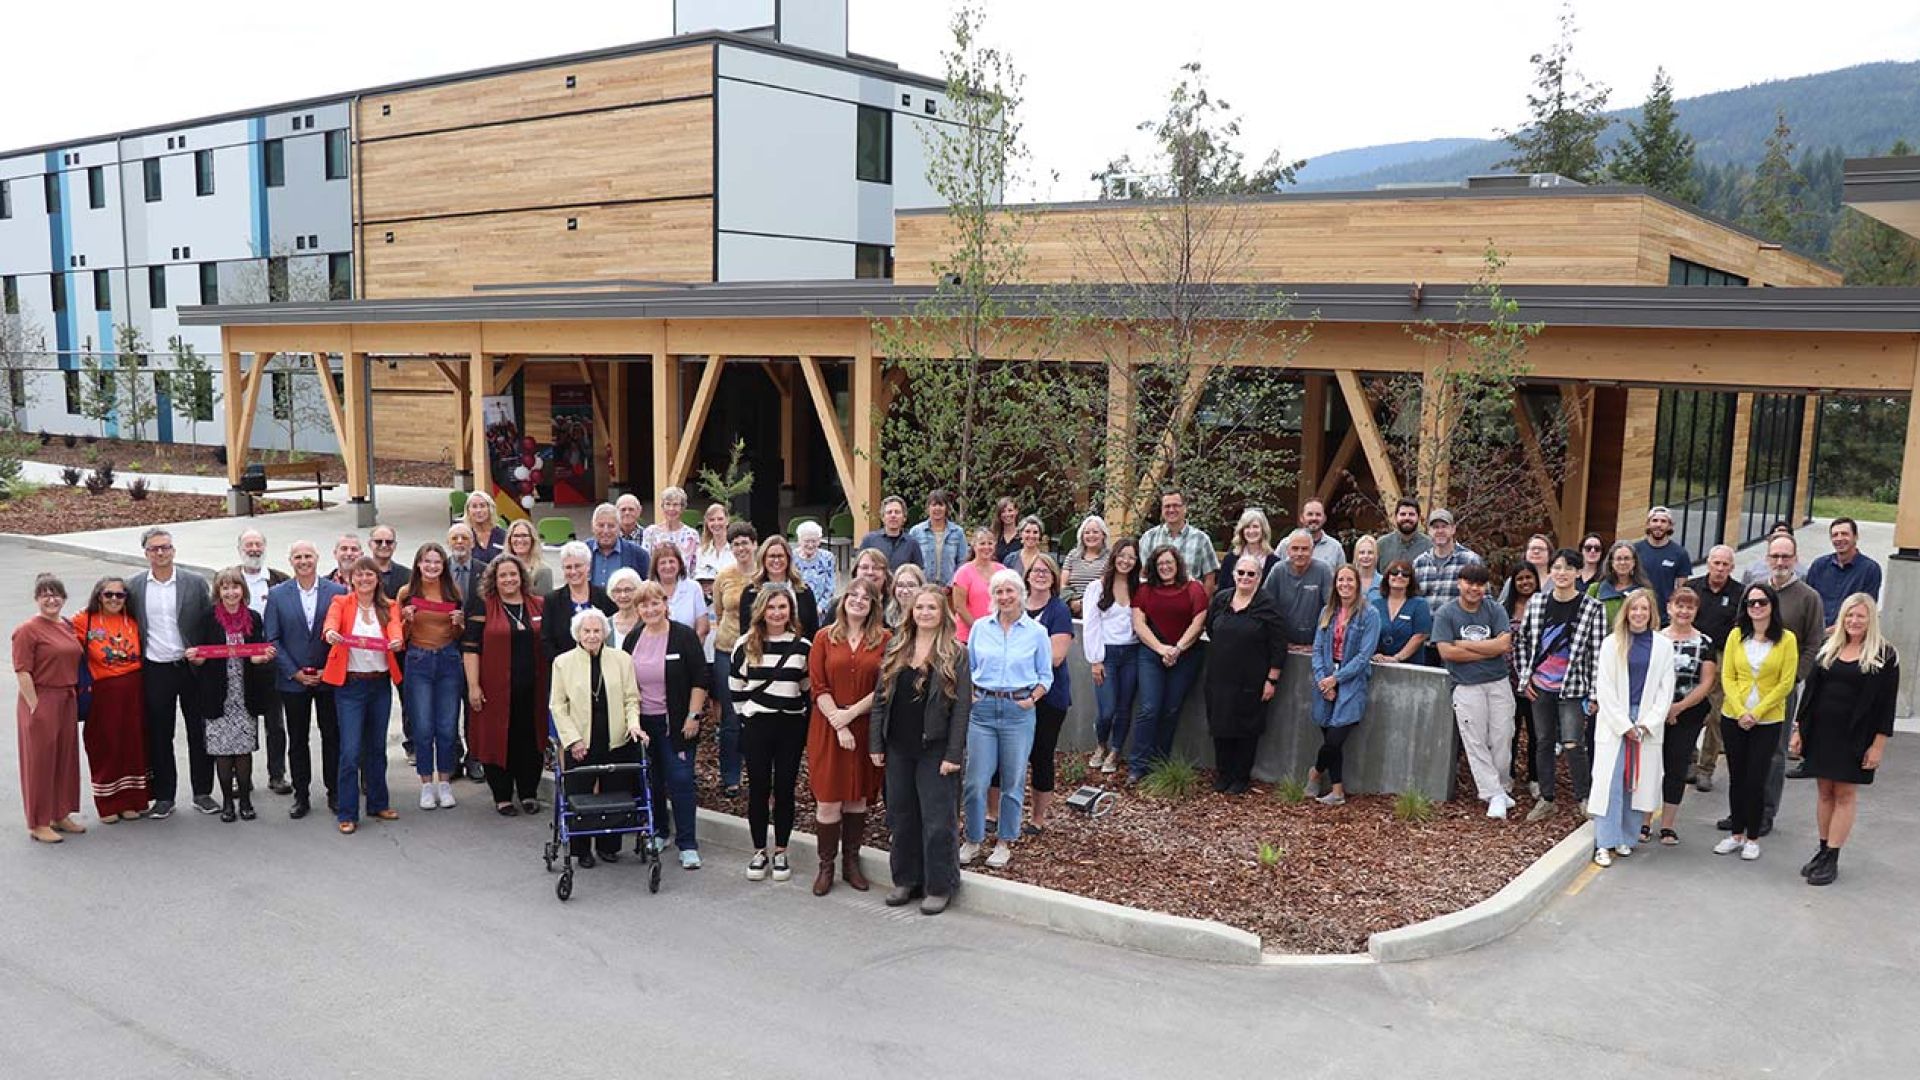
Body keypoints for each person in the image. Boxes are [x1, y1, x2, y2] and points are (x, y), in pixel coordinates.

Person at [870, 586, 968, 915]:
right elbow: (881, 699)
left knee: (938, 821)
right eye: (919, 607)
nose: (924, 613)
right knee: (901, 815)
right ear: (911, 612)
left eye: (932, 608)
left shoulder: (956, 653)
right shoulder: (897, 647)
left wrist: (954, 755)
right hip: (898, 747)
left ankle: (939, 885)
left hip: (935, 750)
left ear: (943, 614)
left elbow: (962, 709)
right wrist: (876, 744)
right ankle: (906, 880)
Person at [1791, 593, 1898, 886]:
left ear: (1871, 619)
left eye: (1860, 616)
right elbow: (1811, 693)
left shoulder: (1885, 655)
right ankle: (1823, 849)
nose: (1854, 621)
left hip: (1855, 737)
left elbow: (1886, 706)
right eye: (1849, 615)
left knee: (1844, 794)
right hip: (1822, 732)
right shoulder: (1830, 648)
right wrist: (1800, 730)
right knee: (1824, 792)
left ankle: (1833, 857)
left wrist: (1878, 745)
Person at [962, 568, 1053, 870]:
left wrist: (1032, 698)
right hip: (983, 710)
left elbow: (1045, 675)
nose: (1004, 597)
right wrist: (974, 694)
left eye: (1009, 591)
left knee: (1013, 780)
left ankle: (1004, 842)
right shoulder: (980, 628)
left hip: (1018, 711)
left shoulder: (1037, 633)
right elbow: (970, 666)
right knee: (976, 780)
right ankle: (973, 839)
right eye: (998, 592)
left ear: (1020, 594)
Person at [619, 579, 709, 869]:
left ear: (665, 604)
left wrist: (693, 716)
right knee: (653, 781)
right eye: (644, 604)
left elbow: (700, 679)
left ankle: (688, 844)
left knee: (680, 780)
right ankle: (659, 832)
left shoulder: (683, 636)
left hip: (677, 724)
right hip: (644, 725)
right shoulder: (633, 638)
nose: (650, 609)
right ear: (638, 609)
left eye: (655, 602)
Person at [806, 579, 889, 895]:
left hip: (865, 727)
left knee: (856, 799)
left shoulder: (884, 640)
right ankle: (826, 866)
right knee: (828, 801)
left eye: (865, 597)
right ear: (842, 601)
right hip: (828, 727)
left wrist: (850, 716)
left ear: (873, 605)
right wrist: (839, 724)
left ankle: (851, 862)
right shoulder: (824, 638)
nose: (858, 600)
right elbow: (818, 687)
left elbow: (883, 687)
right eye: (852, 595)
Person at [1514, 549, 1608, 822]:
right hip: (1541, 685)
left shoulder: (1592, 608)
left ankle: (1583, 797)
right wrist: (1525, 678)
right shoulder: (1537, 603)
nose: (1562, 573)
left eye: (1568, 568)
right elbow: (1522, 642)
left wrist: (1594, 693)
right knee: (1542, 742)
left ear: (1579, 573)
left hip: (1573, 687)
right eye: (1556, 567)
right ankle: (1547, 798)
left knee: (1572, 743)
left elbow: (1597, 654)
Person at [127, 527, 215, 819]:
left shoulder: (193, 582)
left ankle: (203, 793)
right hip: (156, 669)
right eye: (154, 549)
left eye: (165, 547)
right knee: (160, 734)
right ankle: (164, 796)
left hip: (190, 668)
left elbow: (208, 621)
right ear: (146, 553)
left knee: (198, 731)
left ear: (174, 550)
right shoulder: (135, 586)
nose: (161, 553)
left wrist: (203, 654)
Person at [550, 607, 646, 868]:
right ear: (577, 634)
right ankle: (582, 850)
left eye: (597, 630)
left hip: (616, 739)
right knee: (580, 796)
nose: (592, 635)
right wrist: (572, 741)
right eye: (586, 631)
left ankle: (609, 846)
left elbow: (631, 699)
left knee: (615, 795)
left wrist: (634, 725)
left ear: (605, 632)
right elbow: (558, 706)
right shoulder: (563, 662)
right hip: (581, 742)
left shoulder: (621, 659)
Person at [1587, 590, 1673, 867]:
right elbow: (1606, 688)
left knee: (1635, 783)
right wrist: (1623, 725)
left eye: (1644, 609)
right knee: (1610, 782)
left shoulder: (1662, 646)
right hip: (1616, 722)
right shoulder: (1612, 644)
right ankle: (1605, 842)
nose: (1638, 614)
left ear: (1651, 614)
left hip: (1646, 721)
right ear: (1626, 612)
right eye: (1634, 609)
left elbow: (1665, 689)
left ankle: (1626, 836)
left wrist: (1648, 723)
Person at [732, 587, 812, 883]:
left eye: (783, 607)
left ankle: (781, 850)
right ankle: (758, 850)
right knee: (758, 789)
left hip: (790, 726)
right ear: (761, 611)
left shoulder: (803, 647)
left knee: (785, 789)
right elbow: (735, 687)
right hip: (757, 726)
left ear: (790, 610)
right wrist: (748, 715)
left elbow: (806, 688)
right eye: (771, 607)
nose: (777, 613)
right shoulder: (747, 644)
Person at [1714, 582, 1798, 862]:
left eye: (1762, 602)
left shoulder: (1786, 640)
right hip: (1734, 717)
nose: (1757, 608)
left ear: (1772, 605)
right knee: (1737, 777)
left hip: (1767, 720)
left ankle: (1753, 837)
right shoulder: (1736, 636)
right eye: (1752, 603)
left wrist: (1757, 712)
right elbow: (1728, 676)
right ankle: (1736, 833)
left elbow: (1786, 683)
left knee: (1756, 778)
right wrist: (1740, 711)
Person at [320, 557, 404, 835]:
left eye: (370, 575)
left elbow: (395, 629)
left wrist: (396, 640)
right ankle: (347, 811)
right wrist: (331, 632)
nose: (365, 579)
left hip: (379, 684)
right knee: (350, 751)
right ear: (352, 579)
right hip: (351, 686)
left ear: (377, 579)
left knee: (376, 748)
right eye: (360, 575)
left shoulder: (389, 606)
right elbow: (331, 622)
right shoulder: (341, 603)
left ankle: (378, 802)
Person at [462, 554, 549, 818]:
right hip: (496, 691)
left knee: (531, 740)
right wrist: (474, 686)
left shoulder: (539, 604)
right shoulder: (484, 606)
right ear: (494, 580)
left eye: (513, 574)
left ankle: (528, 793)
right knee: (499, 740)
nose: (509, 579)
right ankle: (502, 796)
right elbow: (470, 648)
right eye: (503, 576)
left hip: (533, 690)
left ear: (522, 577)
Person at [188, 569, 277, 823]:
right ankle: (227, 801)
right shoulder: (207, 619)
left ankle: (246, 801)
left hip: (244, 692)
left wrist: (261, 659)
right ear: (218, 592)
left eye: (235, 587)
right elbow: (200, 656)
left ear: (243, 590)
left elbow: (258, 654)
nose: (230, 592)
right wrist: (197, 658)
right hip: (217, 694)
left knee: (244, 750)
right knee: (223, 752)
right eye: (225, 588)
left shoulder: (254, 618)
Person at [264, 542, 346, 819]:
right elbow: (272, 638)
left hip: (327, 678)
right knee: (298, 739)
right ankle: (302, 795)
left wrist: (328, 670)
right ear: (290, 561)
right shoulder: (277, 595)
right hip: (293, 680)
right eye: (298, 557)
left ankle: (334, 792)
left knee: (331, 736)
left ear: (317, 558)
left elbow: (342, 635)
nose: (303, 561)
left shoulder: (337, 592)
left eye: (308, 556)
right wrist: (294, 672)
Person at [995, 555, 1073, 831]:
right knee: (999, 755)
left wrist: (1014, 661)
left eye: (1046, 571)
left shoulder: (1059, 611)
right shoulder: (1013, 607)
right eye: (1035, 571)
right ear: (1026, 577)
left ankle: (1037, 819)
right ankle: (994, 814)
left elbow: (1055, 658)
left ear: (1054, 578)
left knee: (1041, 755)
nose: (1040, 575)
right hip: (1008, 696)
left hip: (1048, 697)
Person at [1433, 563, 1516, 819]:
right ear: (1459, 583)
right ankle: (1494, 794)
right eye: (1469, 583)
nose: (1474, 589)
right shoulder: (1447, 613)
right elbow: (1446, 652)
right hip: (1466, 686)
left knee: (1503, 736)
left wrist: (1464, 645)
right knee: (1475, 740)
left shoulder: (1494, 609)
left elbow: (1504, 644)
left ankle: (1501, 787)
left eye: (1479, 584)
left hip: (1498, 682)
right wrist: (1486, 649)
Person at [71, 577, 150, 822]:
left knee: (133, 745)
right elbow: (62, 643)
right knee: (106, 746)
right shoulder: (85, 620)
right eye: (108, 595)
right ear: (98, 596)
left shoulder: (134, 620)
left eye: (120, 595)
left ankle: (132, 801)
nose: (114, 599)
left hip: (133, 691)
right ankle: (107, 804)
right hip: (102, 694)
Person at [13, 574, 85, 843]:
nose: (51, 599)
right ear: (37, 599)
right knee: (40, 762)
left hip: (67, 698)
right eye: (45, 595)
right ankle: (38, 821)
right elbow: (22, 670)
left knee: (65, 758)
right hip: (42, 698)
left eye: (56, 594)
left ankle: (60, 813)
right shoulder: (28, 630)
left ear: (64, 599)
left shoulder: (66, 625)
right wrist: (34, 706)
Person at [1759, 534, 1823, 830]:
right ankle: (1742, 809)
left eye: (1786, 556)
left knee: (1774, 751)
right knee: (1746, 750)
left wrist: (1795, 677)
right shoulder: (1755, 592)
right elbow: (1740, 632)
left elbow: (1813, 643)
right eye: (1775, 556)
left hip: (1783, 689)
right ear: (1767, 558)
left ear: (1795, 559)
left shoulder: (1808, 597)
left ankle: (1765, 812)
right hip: (1750, 686)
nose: (1780, 562)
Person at [1205, 554, 1285, 795]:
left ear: (1259, 577)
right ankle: (1223, 773)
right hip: (1219, 677)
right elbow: (1210, 628)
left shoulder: (1267, 605)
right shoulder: (1221, 600)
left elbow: (1278, 645)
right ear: (1233, 574)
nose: (1245, 578)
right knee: (1220, 726)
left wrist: (1272, 679)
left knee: (1246, 729)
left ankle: (1240, 777)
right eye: (1241, 573)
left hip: (1252, 680)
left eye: (1251, 574)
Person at [1129, 545, 1210, 781]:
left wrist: (1178, 648)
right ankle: (1137, 765)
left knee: (1171, 709)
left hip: (1185, 654)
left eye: (1169, 563)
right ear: (1154, 566)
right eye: (1160, 563)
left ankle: (1158, 763)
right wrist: (1162, 648)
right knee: (1149, 708)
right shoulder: (1145, 590)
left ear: (1178, 564)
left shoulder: (1194, 588)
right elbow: (1139, 624)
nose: (1165, 567)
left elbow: (1198, 622)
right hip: (1151, 653)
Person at [396, 543, 465, 811]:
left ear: (444, 565)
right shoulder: (407, 592)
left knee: (447, 727)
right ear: (418, 564)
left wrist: (459, 623)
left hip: (448, 659)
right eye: (427, 562)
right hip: (418, 659)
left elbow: (459, 634)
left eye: (437, 562)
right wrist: (406, 620)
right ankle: (426, 784)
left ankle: (445, 782)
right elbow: (400, 637)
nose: (433, 567)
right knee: (423, 727)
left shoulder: (453, 590)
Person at [1308, 563, 1381, 805]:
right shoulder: (1326, 612)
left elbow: (1364, 656)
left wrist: (1336, 680)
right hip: (1325, 679)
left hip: (1351, 681)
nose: (1345, 585)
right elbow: (1317, 648)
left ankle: (1315, 773)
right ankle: (1337, 792)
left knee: (1334, 739)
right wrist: (1323, 680)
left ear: (1358, 584)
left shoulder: (1369, 614)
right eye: (1340, 580)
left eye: (1350, 580)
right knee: (1329, 736)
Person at [1651, 586, 1718, 846]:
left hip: (1687, 715)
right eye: (1679, 605)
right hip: (1655, 712)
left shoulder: (1705, 643)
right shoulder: (1656, 639)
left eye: (1690, 607)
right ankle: (1645, 822)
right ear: (1669, 607)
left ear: (1695, 611)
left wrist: (1678, 708)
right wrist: (1662, 708)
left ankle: (1667, 825)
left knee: (1676, 768)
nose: (1684, 611)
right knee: (1651, 768)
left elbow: (1706, 683)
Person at [236, 528, 292, 795]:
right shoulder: (230, 579)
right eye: (249, 544)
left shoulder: (279, 580)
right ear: (240, 548)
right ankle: (240, 777)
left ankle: (277, 774)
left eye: (258, 544)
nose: (254, 549)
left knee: (275, 723)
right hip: (239, 662)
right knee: (241, 720)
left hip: (271, 661)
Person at [1082, 538, 1140, 774]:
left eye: (1131, 557)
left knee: (1125, 707)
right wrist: (1095, 659)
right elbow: (1090, 626)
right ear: (1114, 556)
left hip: (1132, 652)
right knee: (1107, 710)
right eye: (1122, 555)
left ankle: (1116, 750)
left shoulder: (1140, 587)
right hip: (1107, 654)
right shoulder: (1097, 587)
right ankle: (1101, 744)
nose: (1126, 561)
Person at [710, 522, 759, 796]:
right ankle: (730, 776)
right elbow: (719, 612)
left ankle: (757, 771)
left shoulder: (764, 576)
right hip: (727, 651)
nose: (741, 548)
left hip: (759, 654)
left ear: (754, 544)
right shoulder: (724, 576)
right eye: (736, 544)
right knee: (730, 717)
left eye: (745, 542)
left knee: (756, 716)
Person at [1688, 544, 1741, 793]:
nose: (1720, 569)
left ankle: (1706, 768)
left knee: (1716, 715)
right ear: (1708, 563)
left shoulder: (1740, 593)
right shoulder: (1693, 587)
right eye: (1716, 563)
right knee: (1689, 708)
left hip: (1722, 656)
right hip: (1694, 652)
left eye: (1725, 565)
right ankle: (1689, 759)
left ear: (1731, 567)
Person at [1262, 530, 1334, 653]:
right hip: (1282, 645)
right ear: (1288, 550)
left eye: (1304, 549)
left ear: (1312, 550)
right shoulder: (1278, 570)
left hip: (1315, 647)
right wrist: (1280, 641)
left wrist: (1318, 645)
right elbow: (1265, 607)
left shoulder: (1323, 571)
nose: (1300, 553)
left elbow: (1331, 609)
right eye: (1295, 549)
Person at [739, 535, 821, 639]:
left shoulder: (804, 591)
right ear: (763, 559)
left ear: (788, 559)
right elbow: (745, 632)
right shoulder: (751, 592)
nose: (776, 560)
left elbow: (813, 631)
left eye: (780, 556)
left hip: (798, 652)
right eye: (772, 556)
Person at [1805, 518, 1882, 629]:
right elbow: (1808, 602)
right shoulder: (1819, 565)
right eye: (1835, 535)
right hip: (1815, 632)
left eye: (1844, 534)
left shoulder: (1870, 570)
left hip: (1850, 632)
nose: (1839, 538)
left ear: (1856, 537)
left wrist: (1838, 629)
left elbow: (1867, 608)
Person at [1139, 488, 1221, 593]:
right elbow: (1143, 573)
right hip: (1156, 601)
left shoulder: (1201, 539)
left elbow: (1209, 577)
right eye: (1167, 506)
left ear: (1185, 508)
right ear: (1162, 510)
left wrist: (1202, 606)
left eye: (1176, 505)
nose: (1171, 510)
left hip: (1190, 603)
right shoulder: (1149, 537)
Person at [543, 541, 615, 659]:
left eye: (578, 566)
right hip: (565, 669)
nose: (573, 571)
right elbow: (547, 641)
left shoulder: (605, 596)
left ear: (588, 567)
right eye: (568, 567)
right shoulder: (552, 600)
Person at [1412, 509, 1479, 617]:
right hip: (1426, 630)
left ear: (1453, 529)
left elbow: (1484, 598)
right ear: (1429, 531)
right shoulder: (1419, 563)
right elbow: (1412, 601)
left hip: (1457, 628)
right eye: (1435, 527)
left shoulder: (1470, 560)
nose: (1440, 531)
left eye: (1444, 526)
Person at [1372, 560, 1431, 665]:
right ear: (1387, 577)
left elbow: (1420, 635)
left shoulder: (1420, 604)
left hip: (1411, 668)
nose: (1399, 576)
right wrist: (1374, 654)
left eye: (1405, 574)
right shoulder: (1375, 604)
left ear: (1410, 580)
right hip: (1379, 665)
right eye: (1394, 572)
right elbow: (1368, 633)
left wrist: (1397, 658)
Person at [650, 543, 711, 646]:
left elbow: (702, 627)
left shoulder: (693, 588)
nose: (668, 566)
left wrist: (691, 650)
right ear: (655, 567)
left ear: (680, 564)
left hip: (688, 651)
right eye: (662, 563)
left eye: (672, 561)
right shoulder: (648, 589)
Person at [951, 528, 1004, 645]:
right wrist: (978, 628)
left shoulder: (1002, 571)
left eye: (990, 543)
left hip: (996, 635)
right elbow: (959, 607)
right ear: (974, 546)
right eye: (982, 543)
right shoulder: (963, 572)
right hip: (968, 636)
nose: (986, 547)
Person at [1631, 507, 1693, 606]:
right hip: (1638, 609)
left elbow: (1682, 589)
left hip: (1664, 613)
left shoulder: (1680, 553)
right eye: (1654, 520)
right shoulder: (1635, 550)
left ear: (1670, 526)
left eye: (1663, 521)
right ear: (1648, 524)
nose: (1658, 525)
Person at [908, 489, 967, 587]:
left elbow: (962, 563)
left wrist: (951, 585)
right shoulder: (916, 532)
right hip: (922, 588)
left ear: (946, 508)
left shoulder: (957, 532)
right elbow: (910, 563)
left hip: (950, 589)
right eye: (934, 505)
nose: (937, 508)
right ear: (928, 508)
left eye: (941, 505)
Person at [1588, 541, 1652, 626]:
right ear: (1611, 563)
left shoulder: (1645, 591)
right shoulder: (1595, 590)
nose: (1622, 562)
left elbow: (1652, 623)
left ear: (1634, 562)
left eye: (1627, 558)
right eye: (1618, 558)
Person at [587, 503, 650, 588]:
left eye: (611, 526)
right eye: (601, 525)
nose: (606, 531)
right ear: (592, 527)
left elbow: (646, 588)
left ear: (619, 527)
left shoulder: (638, 554)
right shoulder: (583, 551)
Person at [1060, 515, 1111, 617]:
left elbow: (1105, 586)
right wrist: (1073, 601)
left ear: (1103, 535)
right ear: (1082, 536)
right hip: (1071, 608)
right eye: (1087, 532)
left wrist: (1084, 604)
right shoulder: (1073, 555)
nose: (1091, 535)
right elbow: (1062, 584)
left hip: (1098, 610)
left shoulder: (1110, 557)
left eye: (1095, 532)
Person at [858, 495, 925, 572]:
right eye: (889, 512)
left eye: (897, 512)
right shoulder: (869, 541)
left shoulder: (912, 543)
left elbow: (918, 572)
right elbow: (859, 569)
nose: (893, 515)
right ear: (883, 517)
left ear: (904, 518)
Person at [1226, 509, 1282, 597]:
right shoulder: (1230, 559)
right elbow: (1222, 591)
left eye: (1255, 526)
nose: (1251, 531)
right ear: (1242, 531)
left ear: (1263, 530)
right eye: (1247, 527)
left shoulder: (1274, 562)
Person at [641, 486, 701, 567]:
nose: (671, 508)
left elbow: (695, 566)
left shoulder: (692, 535)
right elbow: (645, 563)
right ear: (662, 507)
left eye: (675, 504)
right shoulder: (650, 532)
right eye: (668, 504)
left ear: (682, 508)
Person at [1374, 497, 1433, 569]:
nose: (1407, 518)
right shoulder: (1381, 545)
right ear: (1395, 517)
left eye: (1411, 514)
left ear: (1419, 517)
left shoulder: (1430, 546)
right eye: (1403, 514)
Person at [1499, 534, 1552, 608]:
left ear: (1549, 554)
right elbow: (1501, 607)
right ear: (1525, 553)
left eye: (1541, 549)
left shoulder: (1556, 581)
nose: (1536, 552)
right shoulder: (1513, 581)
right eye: (1532, 548)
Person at [792, 520, 837, 602]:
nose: (810, 545)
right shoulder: (791, 557)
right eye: (806, 541)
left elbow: (830, 586)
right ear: (799, 540)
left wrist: (821, 607)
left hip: (821, 608)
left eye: (814, 541)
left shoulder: (827, 557)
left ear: (819, 541)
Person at [503, 519, 553, 593]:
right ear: (509, 540)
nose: (519, 540)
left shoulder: (544, 571)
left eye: (524, 535)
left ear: (532, 539)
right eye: (516, 536)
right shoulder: (499, 569)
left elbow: (544, 602)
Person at [445, 523, 490, 601]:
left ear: (472, 543)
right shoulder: (442, 569)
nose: (459, 541)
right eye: (454, 538)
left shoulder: (485, 570)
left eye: (464, 538)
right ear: (448, 543)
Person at [1299, 498, 1345, 568]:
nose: (1314, 518)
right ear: (1301, 518)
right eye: (1310, 514)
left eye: (1318, 514)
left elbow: (1342, 576)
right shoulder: (1286, 544)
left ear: (1324, 518)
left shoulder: (1335, 548)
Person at [693, 503, 734, 582]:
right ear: (707, 523)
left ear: (727, 520)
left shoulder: (736, 549)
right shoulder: (701, 551)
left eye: (720, 519)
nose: (716, 523)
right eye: (712, 520)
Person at [1004, 515, 1053, 581]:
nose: (1031, 536)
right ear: (1021, 534)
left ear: (1040, 536)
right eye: (1027, 531)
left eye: (1035, 532)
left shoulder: (1048, 560)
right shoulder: (1010, 559)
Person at [461, 491, 506, 561]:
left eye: (482, 506)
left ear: (490, 509)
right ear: (468, 511)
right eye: (474, 506)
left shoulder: (503, 535)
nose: (478, 510)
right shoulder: (463, 537)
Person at [368, 524, 409, 600]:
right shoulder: (360, 574)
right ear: (370, 544)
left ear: (395, 545)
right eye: (379, 541)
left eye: (389, 542)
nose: (384, 545)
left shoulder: (408, 575)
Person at [848, 547, 893, 614]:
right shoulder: (841, 604)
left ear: (885, 574)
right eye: (864, 567)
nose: (870, 572)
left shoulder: (894, 606)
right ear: (855, 572)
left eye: (876, 568)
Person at [886, 564, 928, 629]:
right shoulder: (885, 619)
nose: (905, 591)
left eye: (911, 585)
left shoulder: (927, 619)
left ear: (921, 588)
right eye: (900, 585)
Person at [990, 497, 1023, 566]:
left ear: (1016, 511)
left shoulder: (1023, 536)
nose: (1007, 514)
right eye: (1003, 511)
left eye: (1010, 510)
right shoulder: (993, 536)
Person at [1351, 534, 1382, 600]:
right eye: (1362, 552)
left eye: (1370, 552)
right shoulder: (1349, 581)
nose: (1366, 556)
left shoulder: (1384, 582)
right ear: (1356, 555)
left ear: (1376, 555)